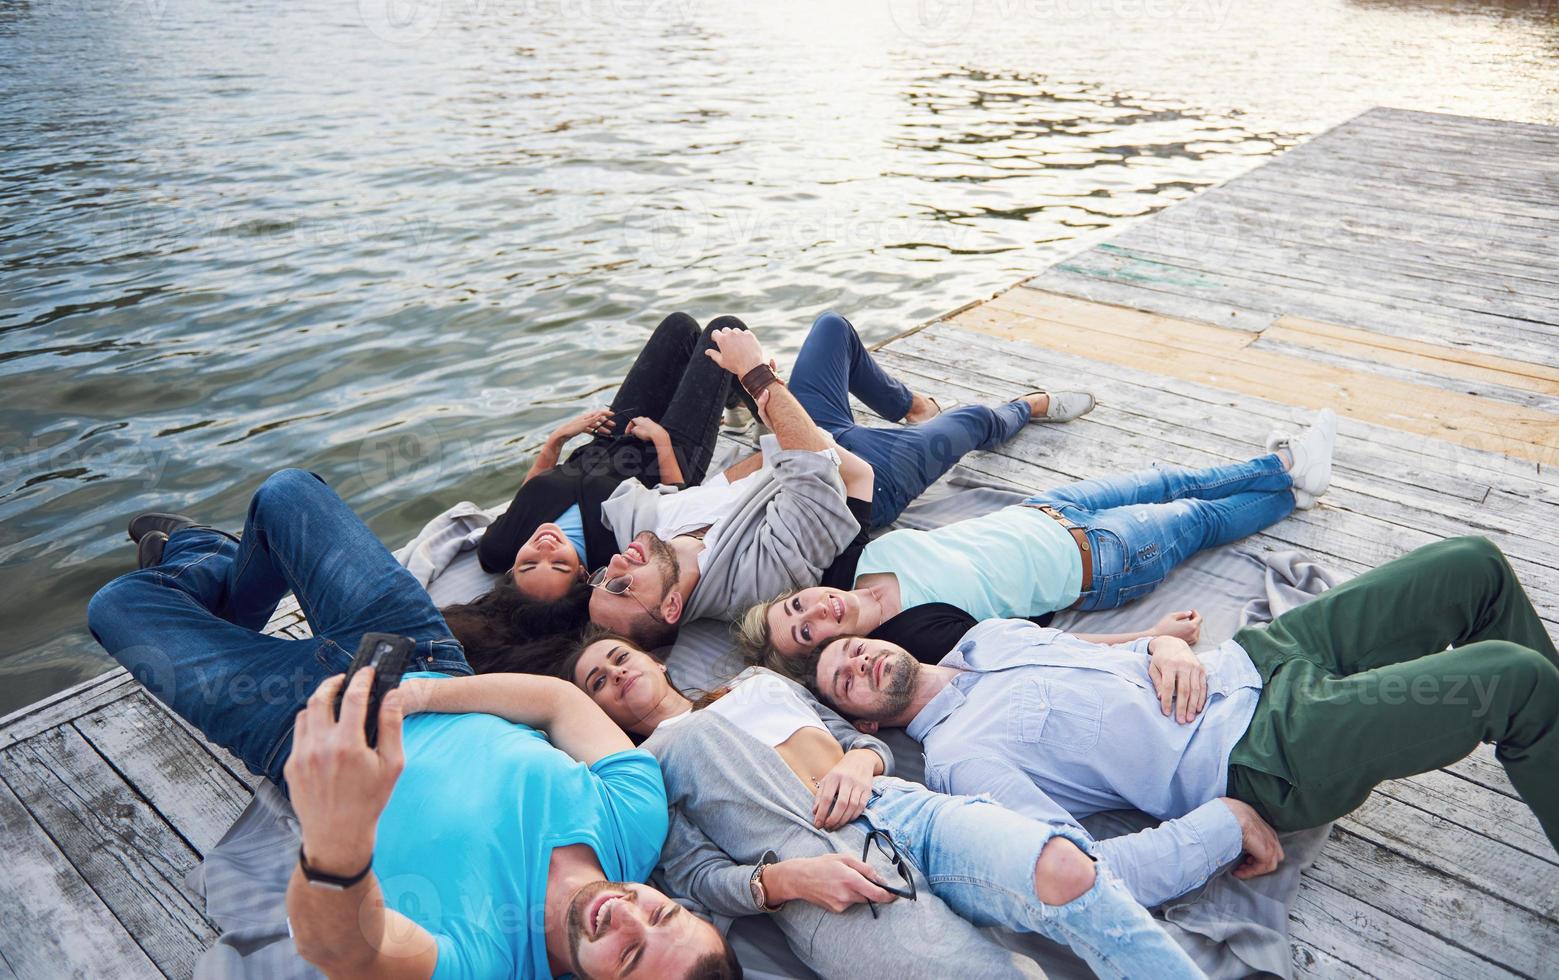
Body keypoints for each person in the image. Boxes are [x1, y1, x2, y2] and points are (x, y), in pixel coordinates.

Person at [86, 470, 738, 979]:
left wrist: (338, 844)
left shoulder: (487, 961)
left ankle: (202, 567)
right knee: (287, 495)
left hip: (290, 717)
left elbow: (352, 952)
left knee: (118, 606)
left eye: (629, 957)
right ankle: (211, 568)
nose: (627, 915)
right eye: (660, 913)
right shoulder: (635, 820)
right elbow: (558, 704)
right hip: (417, 654)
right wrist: (419, 700)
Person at [810, 536, 1559, 910]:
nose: (858, 663)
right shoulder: (961, 759)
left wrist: (1165, 642)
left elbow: (1121, 650)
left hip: (1265, 655)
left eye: (849, 649)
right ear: (858, 720)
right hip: (1265, 750)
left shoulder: (990, 636)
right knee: (1510, 678)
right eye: (842, 681)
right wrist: (1223, 824)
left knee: (1471, 564)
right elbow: (1083, 877)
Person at [408, 630, 1210, 979]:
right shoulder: (639, 772)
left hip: (899, 809)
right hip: (823, 884)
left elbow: (858, 736)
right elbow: (690, 882)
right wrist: (786, 885)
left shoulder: (757, 683)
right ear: (603, 713)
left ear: (650, 656)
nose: (615, 675)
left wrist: (861, 764)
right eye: (598, 683)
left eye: (617, 658)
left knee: (1063, 868)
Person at [741, 409, 1338, 668]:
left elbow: (858, 475)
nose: (814, 609)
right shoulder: (916, 638)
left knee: (1171, 478)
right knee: (1198, 516)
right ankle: (1289, 476)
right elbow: (1038, 653)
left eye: (797, 605)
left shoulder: (843, 569)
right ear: (826, 650)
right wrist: (1150, 638)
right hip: (1102, 559)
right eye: (807, 631)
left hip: (1046, 509)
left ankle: (1290, 476)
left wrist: (772, 406)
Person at [586, 323, 872, 646]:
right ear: (671, 606)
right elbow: (817, 478)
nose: (614, 562)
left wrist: (777, 425)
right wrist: (757, 375)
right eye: (620, 585)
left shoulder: (650, 526)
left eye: (602, 578)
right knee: (832, 330)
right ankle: (914, 406)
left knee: (726, 332)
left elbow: (727, 480)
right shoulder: (752, 583)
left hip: (798, 432)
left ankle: (742, 406)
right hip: (852, 469)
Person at [477, 312, 756, 602]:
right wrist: (661, 440)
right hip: (672, 455)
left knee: (680, 327)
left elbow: (527, 498)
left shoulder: (498, 548)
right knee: (723, 331)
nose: (544, 548)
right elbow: (679, 505)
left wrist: (557, 439)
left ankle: (728, 395)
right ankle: (765, 413)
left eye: (528, 563)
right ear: (583, 573)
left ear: (512, 571)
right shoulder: (612, 550)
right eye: (559, 564)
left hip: (611, 434)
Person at [790, 311, 1096, 528]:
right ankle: (1029, 406)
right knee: (974, 418)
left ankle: (916, 407)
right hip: (862, 480)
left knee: (833, 327)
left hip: (805, 439)